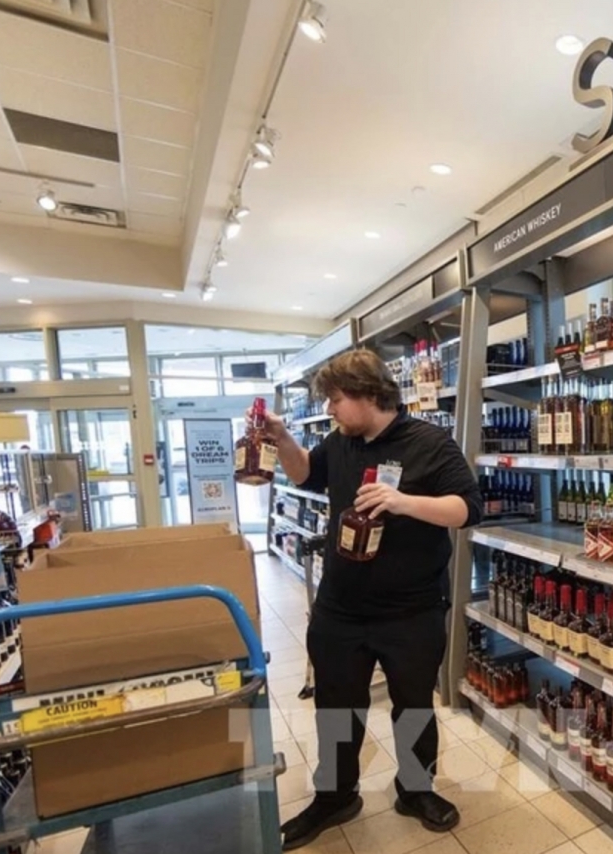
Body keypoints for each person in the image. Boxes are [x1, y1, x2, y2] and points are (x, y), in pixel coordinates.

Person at [263, 349, 482, 851]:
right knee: (336, 707)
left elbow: (468, 509)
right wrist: (282, 438)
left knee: (412, 707)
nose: (332, 408)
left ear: (368, 394)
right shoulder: (341, 442)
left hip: (412, 610)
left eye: (337, 399)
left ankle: (415, 789)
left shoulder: (430, 443)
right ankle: (336, 796)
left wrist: (403, 501)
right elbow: (302, 475)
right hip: (340, 608)